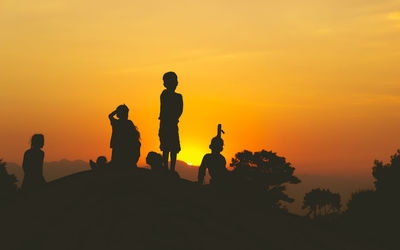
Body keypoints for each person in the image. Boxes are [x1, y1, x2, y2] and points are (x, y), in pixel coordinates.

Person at [159, 72, 183, 172]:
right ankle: (166, 168)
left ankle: (171, 169)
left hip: (171, 124)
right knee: (166, 147)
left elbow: (180, 110)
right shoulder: (164, 94)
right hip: (167, 124)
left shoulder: (178, 96)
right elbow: (177, 110)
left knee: (173, 148)